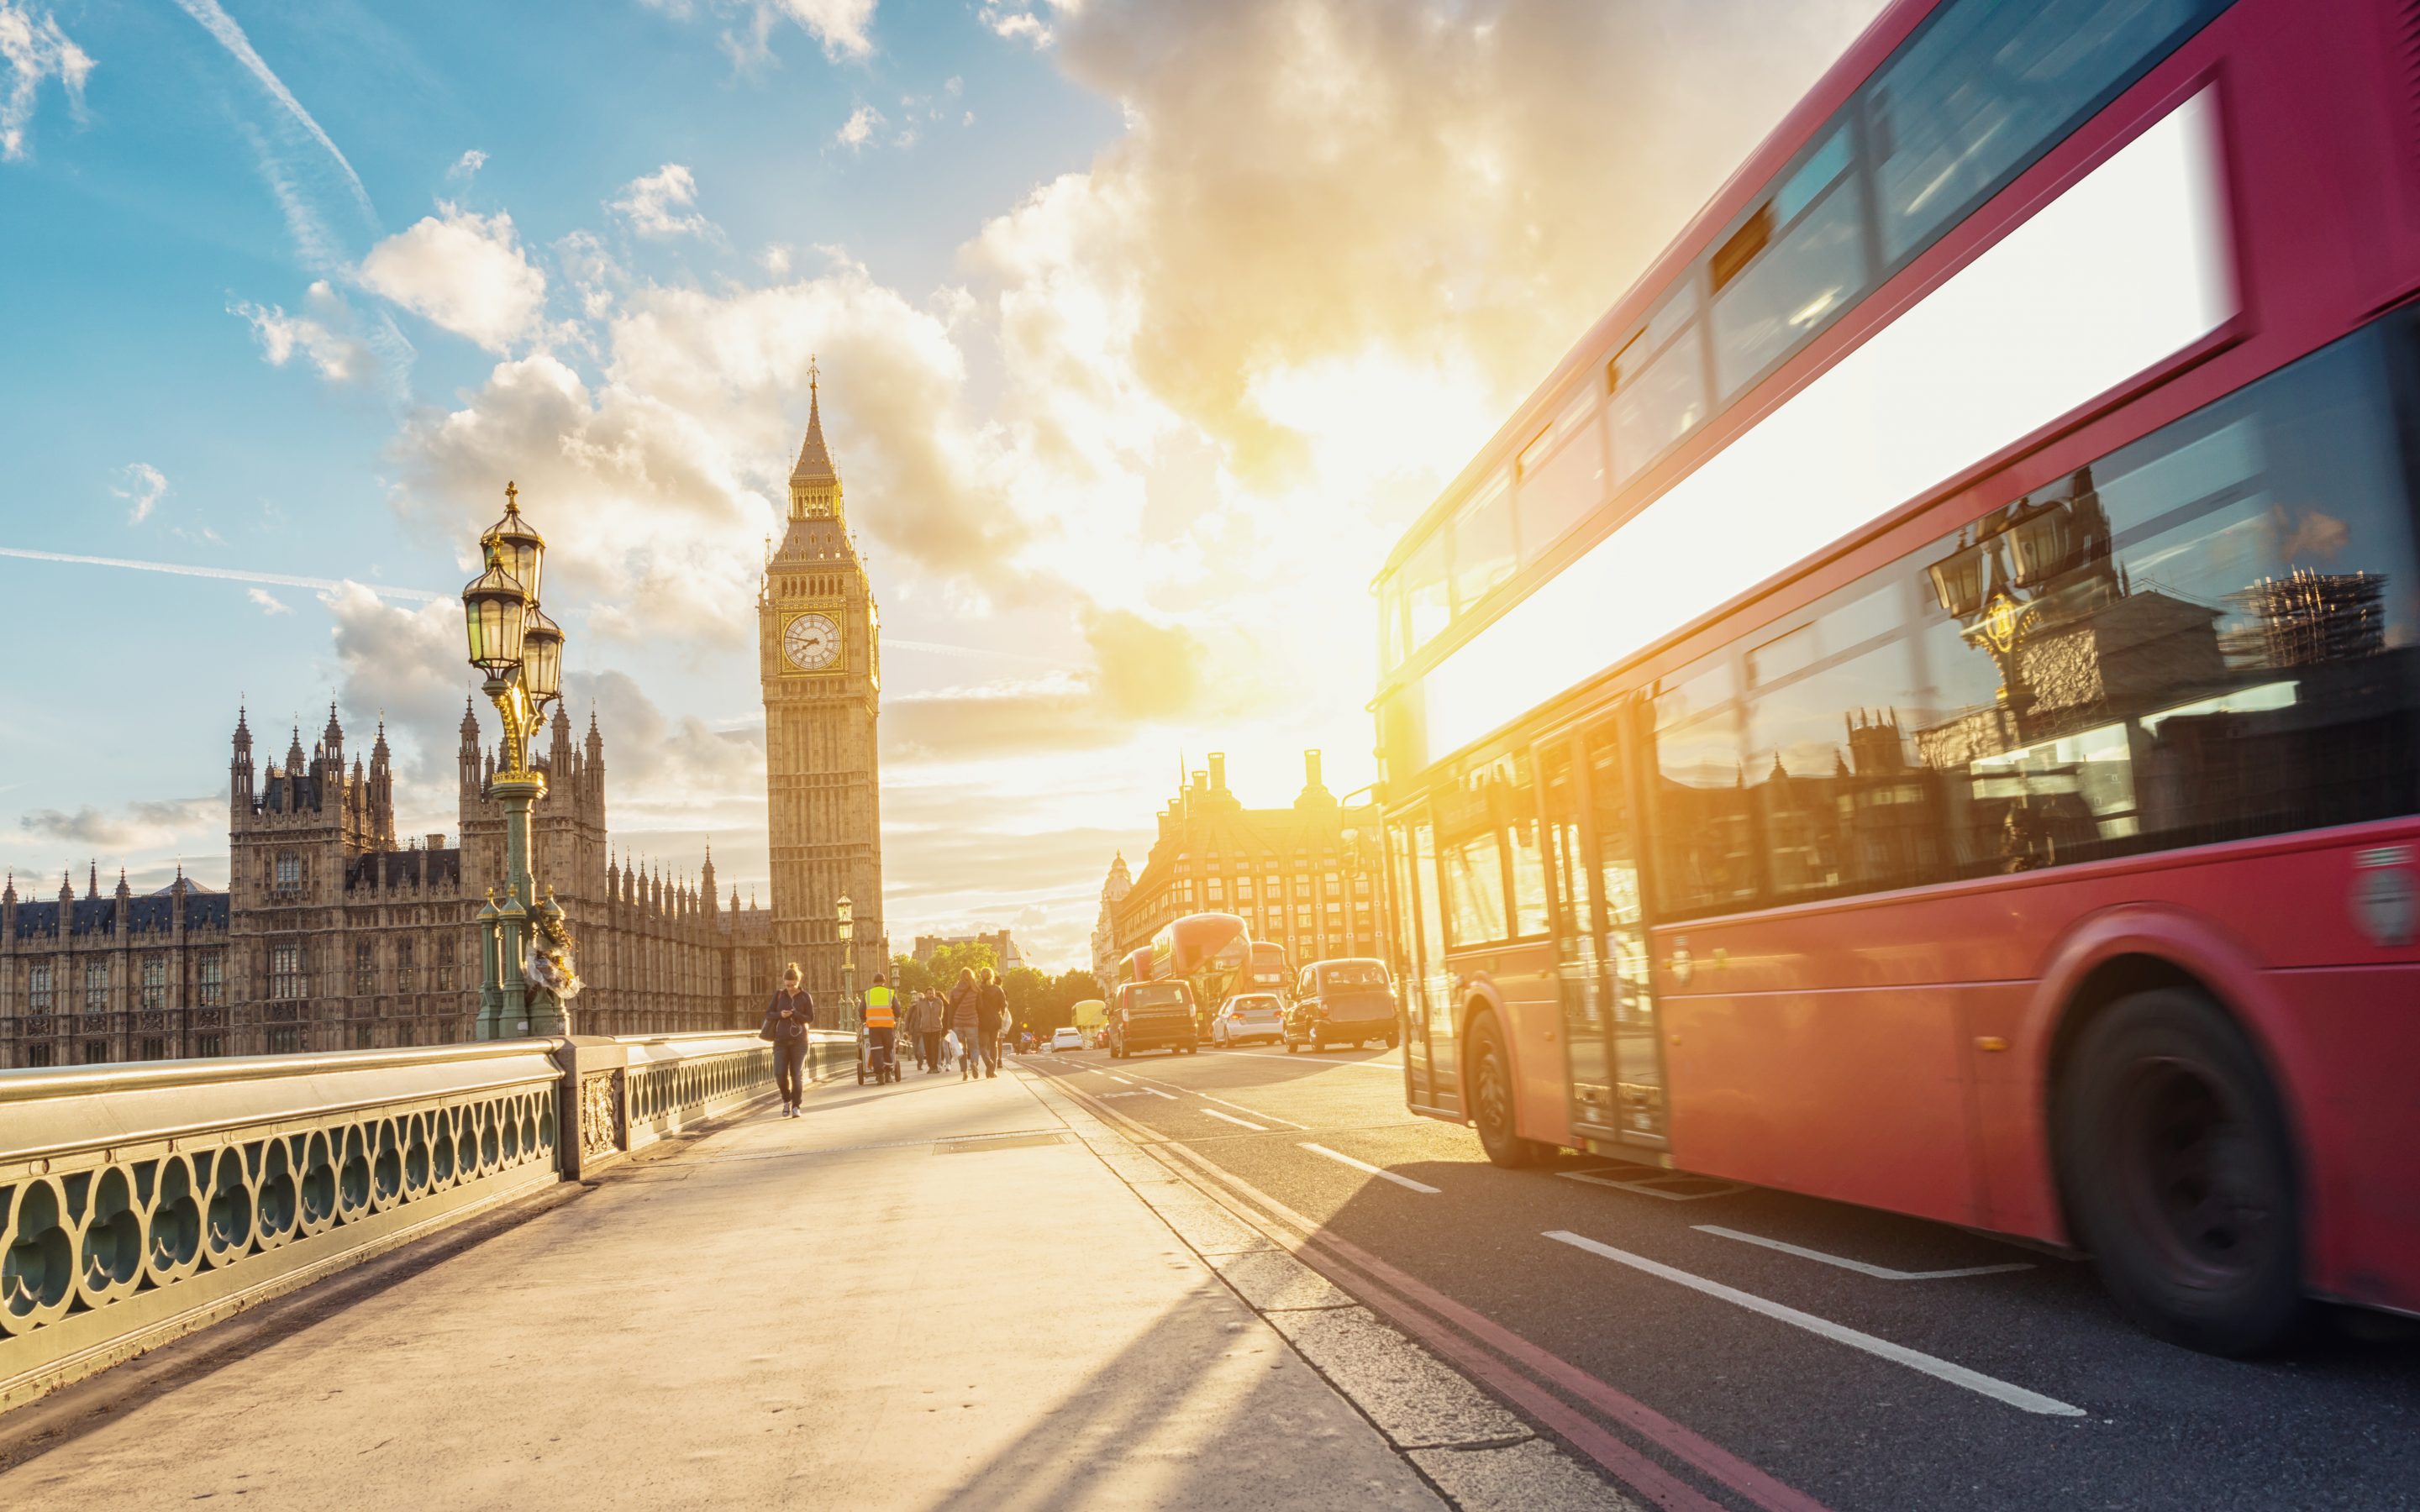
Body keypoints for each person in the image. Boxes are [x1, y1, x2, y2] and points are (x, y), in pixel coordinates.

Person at [761, 964, 814, 1117]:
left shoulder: (805, 997)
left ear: (798, 982)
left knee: (796, 1074)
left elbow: (810, 1018)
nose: (790, 988)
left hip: (800, 1041)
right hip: (781, 1041)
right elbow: (768, 1014)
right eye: (787, 985)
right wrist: (781, 1015)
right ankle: (786, 1100)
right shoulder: (779, 995)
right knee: (779, 1073)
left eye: (793, 985)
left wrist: (796, 1014)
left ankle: (796, 1106)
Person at [862, 973, 899, 1083]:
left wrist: (864, 1018)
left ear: (874, 982)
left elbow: (861, 1010)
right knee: (888, 1048)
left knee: (876, 1050)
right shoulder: (890, 993)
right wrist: (896, 1016)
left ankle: (880, 1075)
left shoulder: (868, 994)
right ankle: (888, 1073)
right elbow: (898, 1010)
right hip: (888, 1027)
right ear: (884, 982)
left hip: (874, 1027)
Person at [949, 968, 983, 1081]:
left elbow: (951, 1009)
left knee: (961, 1049)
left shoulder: (954, 991)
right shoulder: (976, 990)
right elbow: (980, 1007)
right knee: (974, 1047)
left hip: (958, 1023)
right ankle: (974, 1062)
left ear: (961, 977)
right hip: (972, 1022)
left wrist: (949, 1025)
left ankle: (964, 1072)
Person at [976, 967, 1008, 1079]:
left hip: (982, 1021)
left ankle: (988, 1062)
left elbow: (974, 1005)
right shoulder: (998, 989)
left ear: (981, 976)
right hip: (995, 1020)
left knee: (983, 1046)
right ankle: (992, 1070)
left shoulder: (978, 989)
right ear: (992, 976)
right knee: (994, 1045)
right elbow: (1004, 1006)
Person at [910, 988, 945, 1074]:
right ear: (926, 994)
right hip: (925, 1029)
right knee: (928, 1048)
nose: (931, 995)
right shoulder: (921, 1004)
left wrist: (937, 1021)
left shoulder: (939, 1002)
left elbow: (941, 1014)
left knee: (935, 1048)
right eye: (929, 993)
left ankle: (935, 1066)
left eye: (932, 993)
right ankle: (930, 1067)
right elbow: (919, 1015)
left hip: (936, 1028)